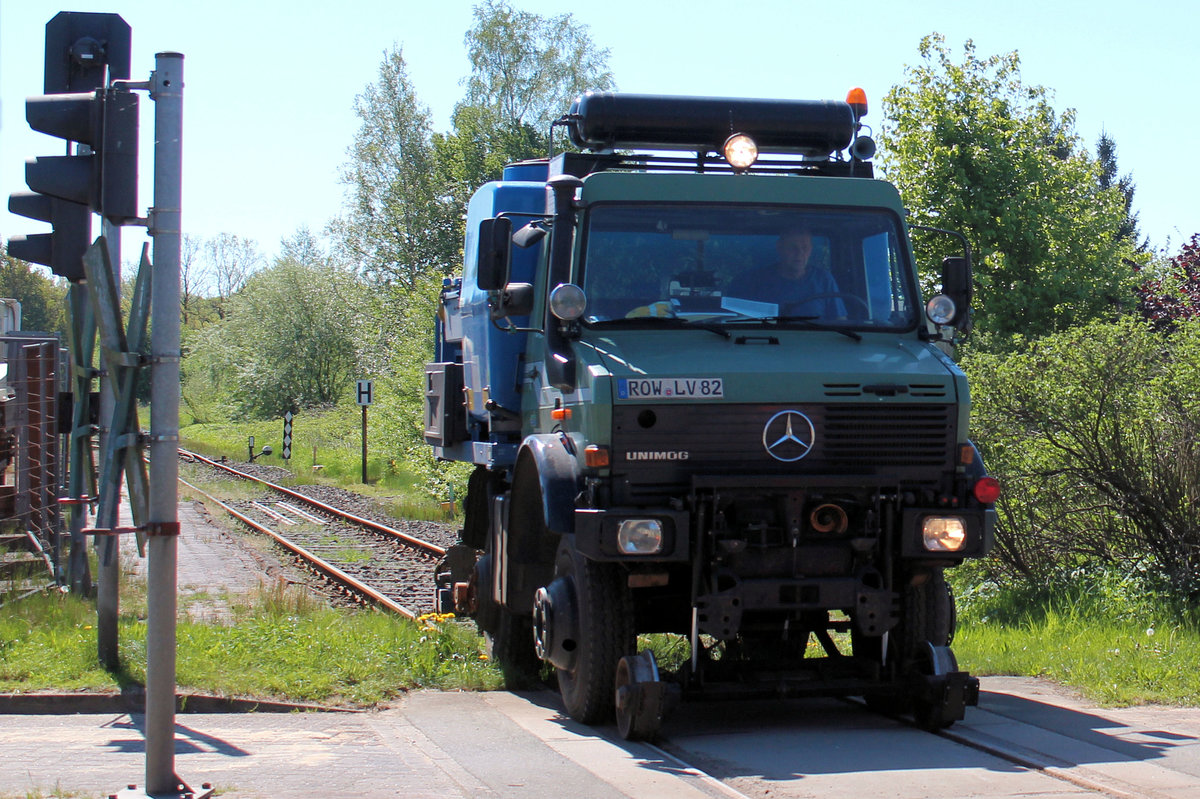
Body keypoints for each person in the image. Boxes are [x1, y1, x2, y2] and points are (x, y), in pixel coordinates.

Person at [730, 228, 847, 318]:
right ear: (780, 248)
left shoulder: (823, 280)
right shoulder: (754, 281)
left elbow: (840, 321)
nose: (800, 253)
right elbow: (735, 319)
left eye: (804, 248)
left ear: (811, 250)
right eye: (793, 247)